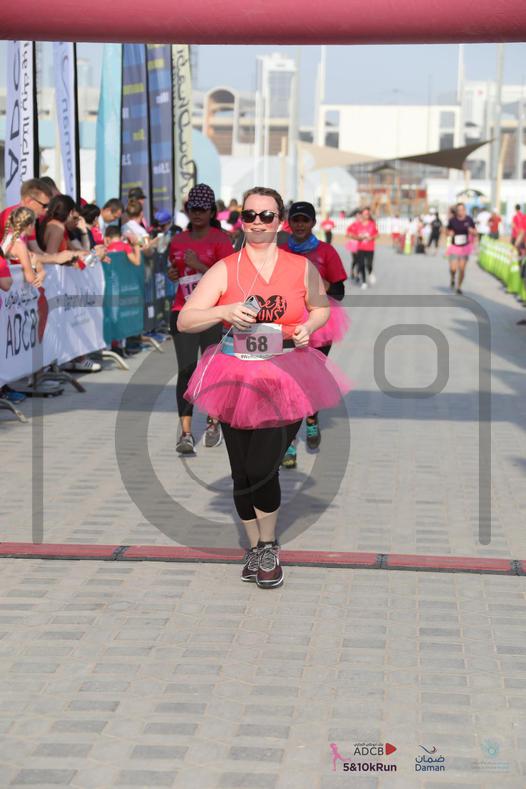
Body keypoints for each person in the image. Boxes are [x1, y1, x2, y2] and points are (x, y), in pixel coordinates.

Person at [178, 186, 349, 589]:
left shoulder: (300, 267)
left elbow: (322, 307)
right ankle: (255, 548)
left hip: (287, 372)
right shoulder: (225, 268)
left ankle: (269, 545)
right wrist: (223, 310)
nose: (257, 223)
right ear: (241, 220)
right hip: (235, 375)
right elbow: (186, 320)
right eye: (250, 215)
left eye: (266, 216)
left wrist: (307, 326)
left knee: (261, 467)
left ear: (280, 222)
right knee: (241, 472)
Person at [278, 200, 349, 467]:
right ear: (289, 223)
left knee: (310, 378)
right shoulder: (281, 251)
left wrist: (322, 283)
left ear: (313, 223)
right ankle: (289, 444)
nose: (299, 225)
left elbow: (339, 292)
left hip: (319, 324)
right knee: (287, 382)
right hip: (287, 322)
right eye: (295, 220)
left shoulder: (326, 251)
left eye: (304, 220)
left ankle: (311, 418)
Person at [167, 183, 233, 453]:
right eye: (192, 209)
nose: (197, 214)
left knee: (212, 370)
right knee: (186, 370)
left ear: (211, 211)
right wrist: (173, 274)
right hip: (182, 311)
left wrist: (199, 266)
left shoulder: (221, 240)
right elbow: (176, 271)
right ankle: (185, 433)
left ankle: (213, 422)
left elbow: (228, 279)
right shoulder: (178, 240)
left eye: (202, 209)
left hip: (212, 314)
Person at [1, 207, 45, 288]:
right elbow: (30, 278)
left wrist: (38, 266)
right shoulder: (19, 245)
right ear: (30, 226)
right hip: (12, 290)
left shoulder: (9, 238)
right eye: (34, 224)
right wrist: (39, 272)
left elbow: (32, 258)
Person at [446, 202, 476, 295]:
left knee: (462, 269)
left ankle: (459, 287)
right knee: (453, 268)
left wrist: (472, 231)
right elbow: (447, 231)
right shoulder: (452, 220)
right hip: (455, 247)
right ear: (457, 211)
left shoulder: (469, 219)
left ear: (465, 210)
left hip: (465, 247)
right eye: (459, 210)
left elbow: (475, 232)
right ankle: (452, 277)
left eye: (462, 210)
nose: (461, 212)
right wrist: (449, 233)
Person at [347, 207, 379, 288]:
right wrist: (358, 238)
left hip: (370, 248)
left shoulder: (372, 224)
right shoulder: (357, 225)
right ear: (362, 215)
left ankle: (370, 272)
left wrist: (371, 238)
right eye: (364, 214)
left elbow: (377, 234)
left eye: (367, 214)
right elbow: (350, 234)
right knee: (361, 264)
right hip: (360, 248)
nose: (366, 215)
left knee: (369, 264)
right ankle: (364, 282)